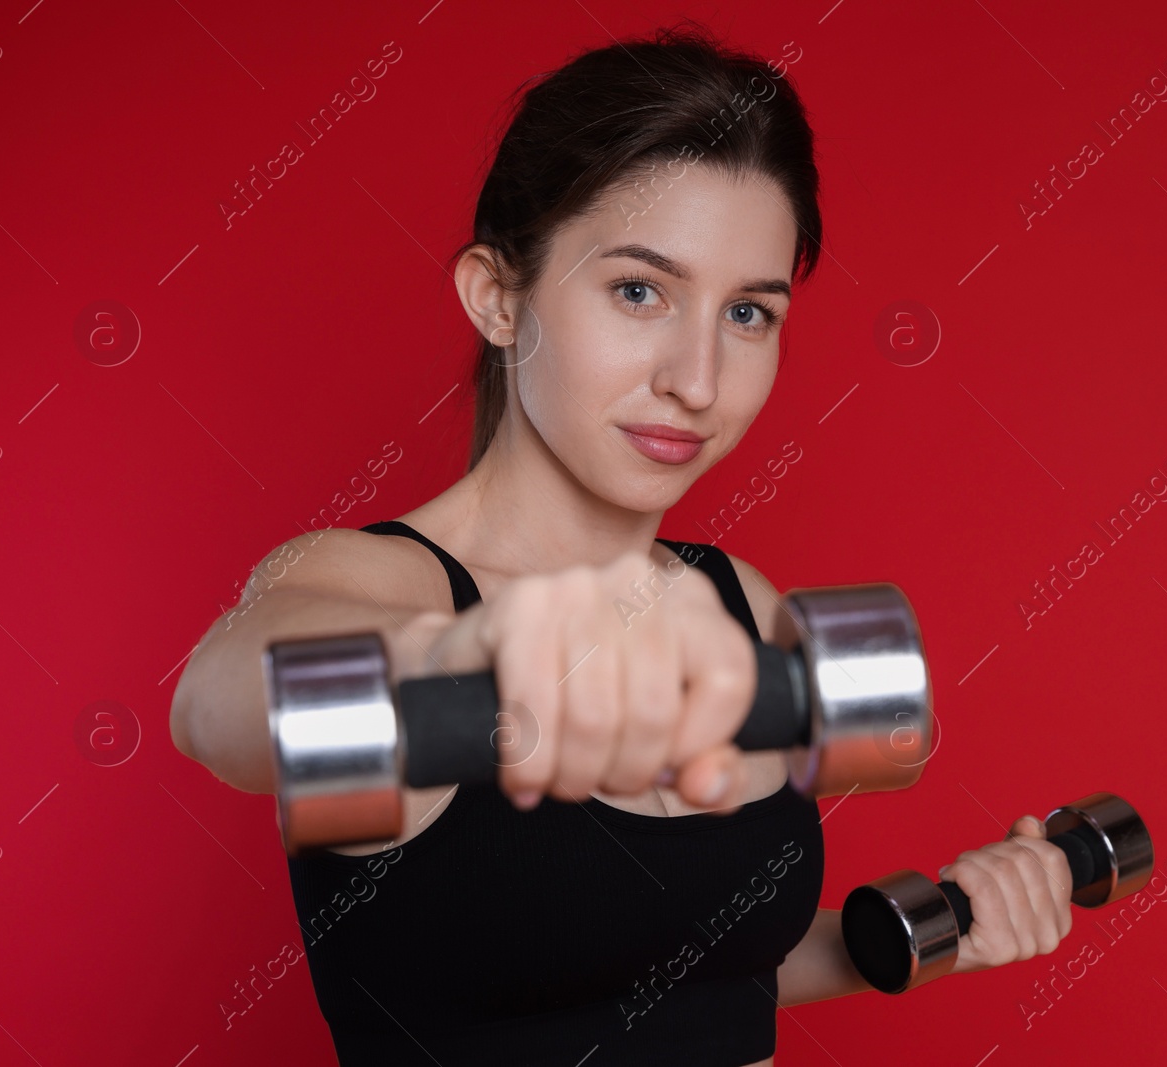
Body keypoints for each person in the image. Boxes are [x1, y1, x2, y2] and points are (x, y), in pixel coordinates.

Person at [169, 22, 1072, 1066]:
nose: (698, 378)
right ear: (498, 297)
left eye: (747, 313)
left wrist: (939, 924)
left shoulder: (737, 599)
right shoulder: (378, 586)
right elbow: (216, 703)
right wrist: (491, 661)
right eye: (639, 290)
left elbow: (692, 972)